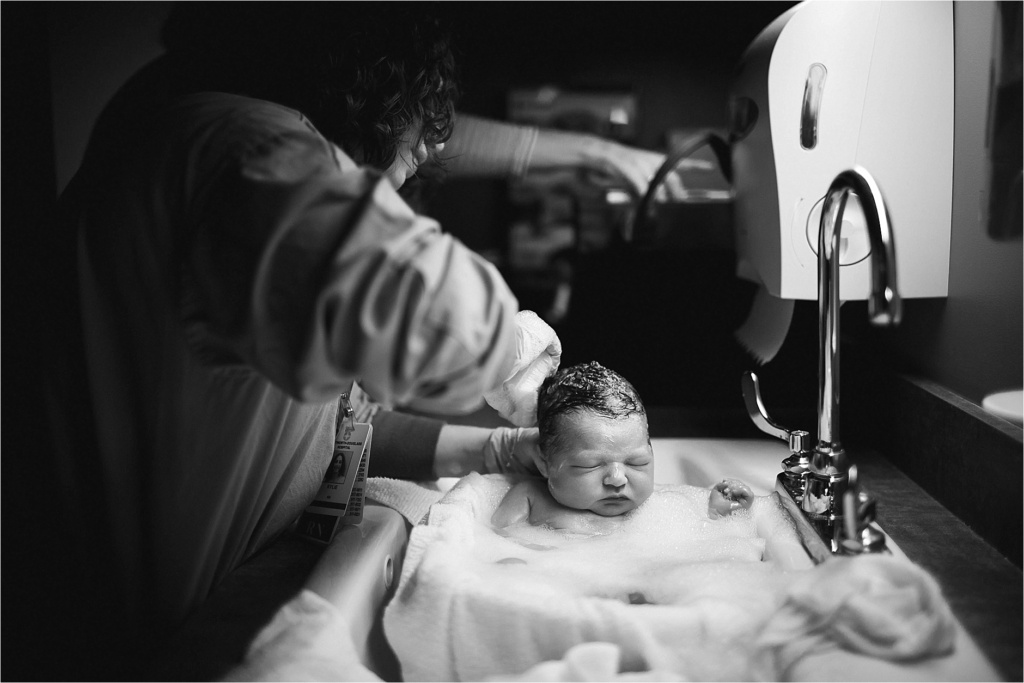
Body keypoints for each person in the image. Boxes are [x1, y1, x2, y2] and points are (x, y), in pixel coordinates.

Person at [491, 362, 753, 534]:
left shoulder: (662, 504)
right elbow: (494, 546)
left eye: (637, 463)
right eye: (590, 465)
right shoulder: (529, 498)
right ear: (544, 463)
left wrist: (720, 514)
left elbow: (702, 539)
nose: (618, 479)